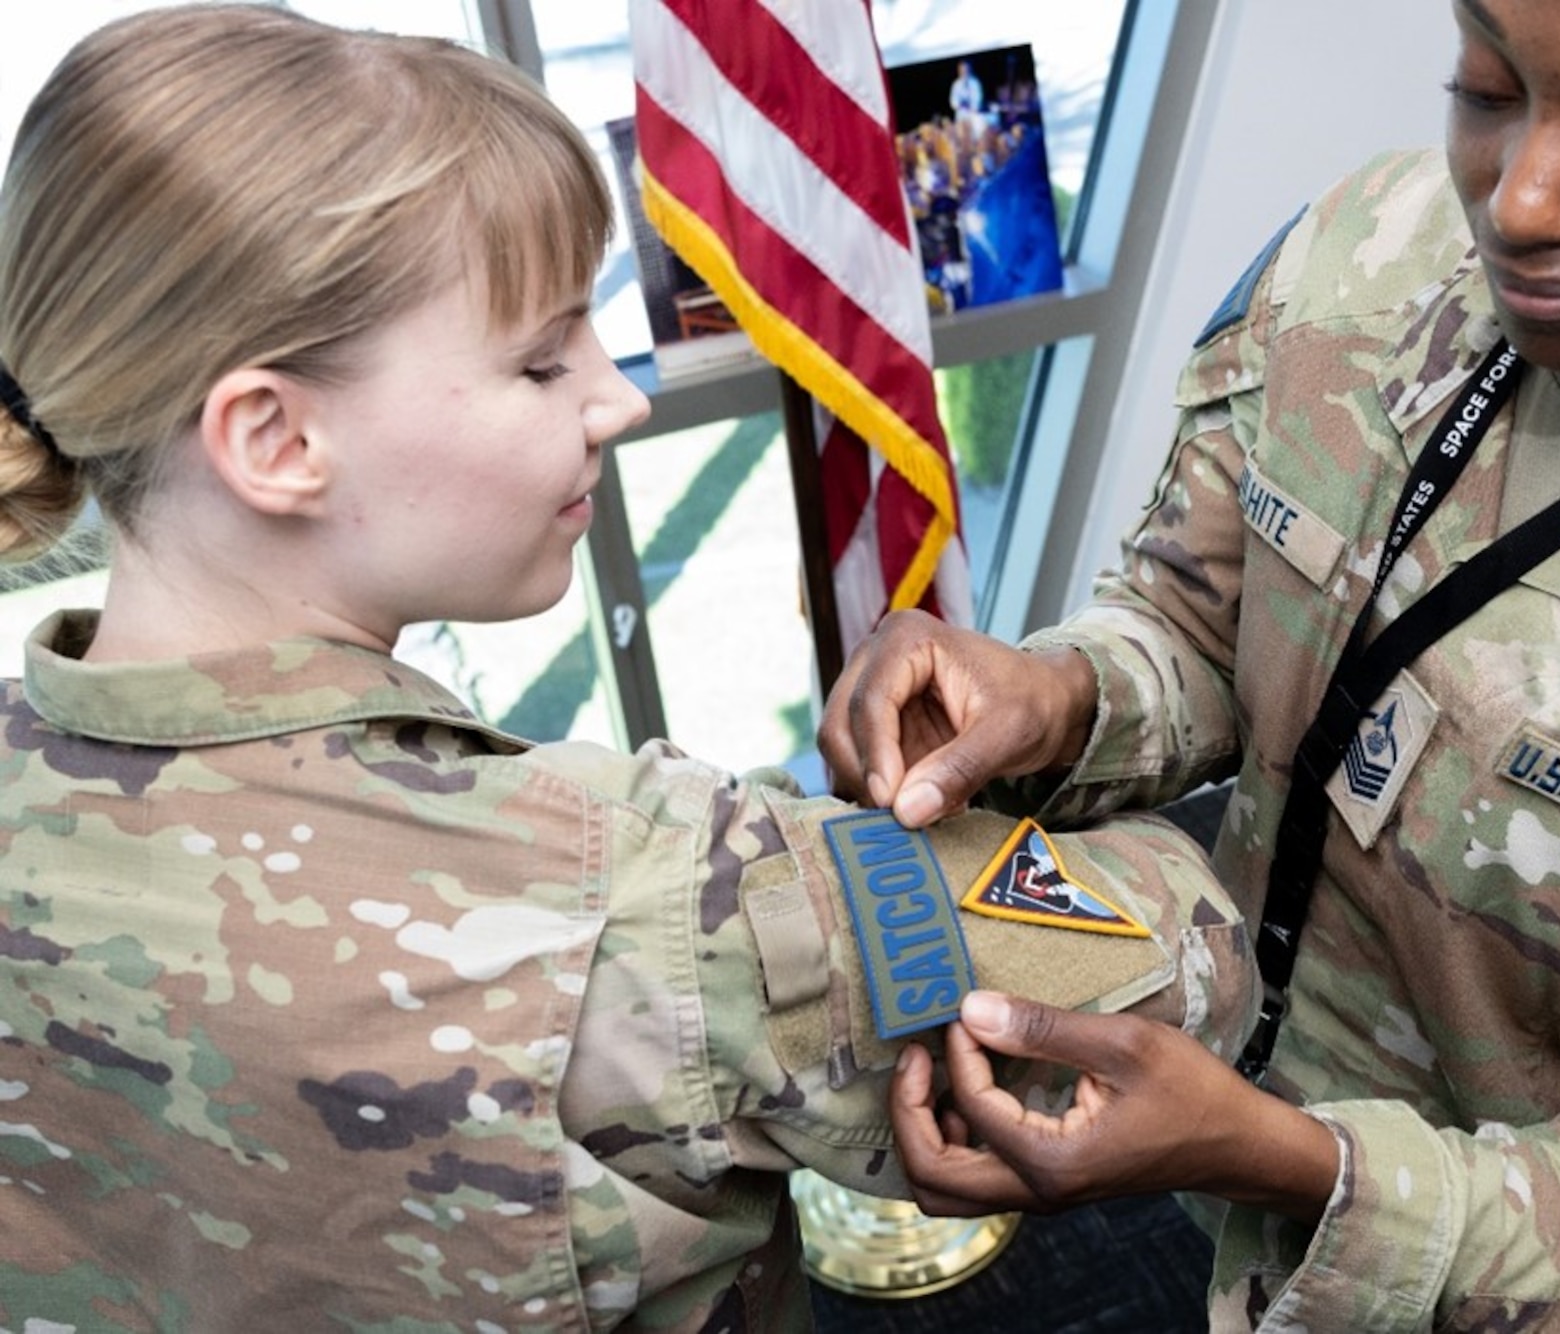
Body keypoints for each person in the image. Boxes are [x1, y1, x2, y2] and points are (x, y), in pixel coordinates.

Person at [0, 8, 1256, 1330]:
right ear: (275, 438)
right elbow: (1192, 951)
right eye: (541, 359)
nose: (619, 397)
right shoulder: (623, 886)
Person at [820, 0, 1560, 1329]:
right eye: (1486, 83)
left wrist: (1292, 1163)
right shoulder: (1371, 254)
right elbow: (1205, 625)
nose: (1525, 202)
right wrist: (1062, 697)